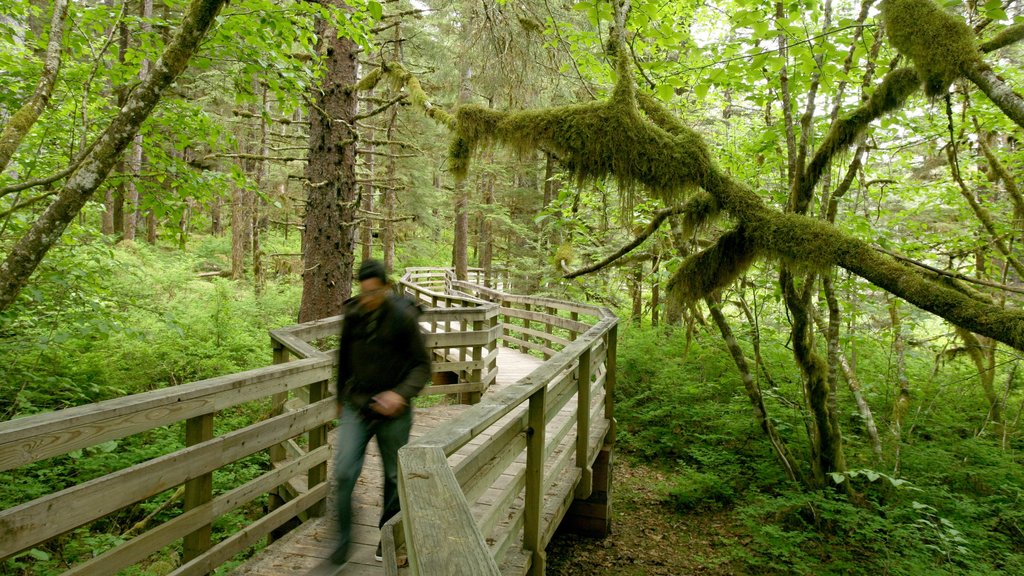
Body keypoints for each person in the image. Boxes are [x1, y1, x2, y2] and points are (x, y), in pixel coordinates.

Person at [330, 259, 431, 566]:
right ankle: (343, 543)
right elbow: (344, 357)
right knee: (344, 471)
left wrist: (399, 395)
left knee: (392, 475)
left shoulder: (403, 318)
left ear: (386, 288)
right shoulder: (353, 314)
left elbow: (422, 366)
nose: (369, 299)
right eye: (364, 293)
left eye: (375, 292)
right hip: (357, 405)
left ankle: (387, 539)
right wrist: (339, 396)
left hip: (394, 412)